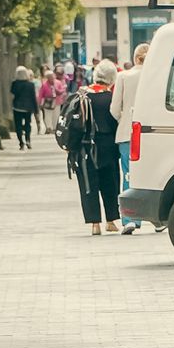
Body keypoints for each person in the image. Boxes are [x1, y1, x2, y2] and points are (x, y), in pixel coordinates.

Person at [67, 60, 121, 235]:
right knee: (110, 182)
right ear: (112, 78)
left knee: (88, 184)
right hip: (107, 145)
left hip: (84, 148)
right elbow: (115, 122)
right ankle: (111, 220)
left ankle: (94, 224)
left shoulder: (81, 95)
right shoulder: (110, 98)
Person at [110, 43, 148, 232]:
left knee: (128, 175)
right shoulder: (156, 75)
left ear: (135, 58)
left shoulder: (123, 76)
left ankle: (130, 218)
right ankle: (158, 219)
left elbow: (114, 108)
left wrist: (124, 118)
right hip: (151, 133)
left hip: (127, 131)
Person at [9, 66, 38, 150]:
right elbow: (33, 97)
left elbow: (12, 92)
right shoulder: (30, 85)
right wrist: (36, 109)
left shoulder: (14, 83)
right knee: (28, 124)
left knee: (18, 125)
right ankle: (28, 139)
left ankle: (21, 142)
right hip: (28, 107)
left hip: (17, 107)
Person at [36, 66, 64, 134]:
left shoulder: (58, 82)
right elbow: (41, 94)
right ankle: (49, 128)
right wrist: (39, 102)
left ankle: (55, 128)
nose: (51, 78)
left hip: (57, 101)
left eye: (52, 76)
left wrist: (57, 90)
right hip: (48, 101)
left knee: (56, 115)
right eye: (50, 77)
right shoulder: (44, 84)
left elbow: (62, 90)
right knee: (47, 115)